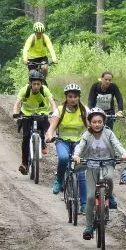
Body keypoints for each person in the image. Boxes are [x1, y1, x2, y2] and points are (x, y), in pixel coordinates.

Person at [72, 107, 126, 240]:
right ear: (90, 123)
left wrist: (124, 153)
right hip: (91, 166)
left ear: (104, 122)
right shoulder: (87, 134)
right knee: (91, 197)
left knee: (109, 178)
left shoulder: (108, 133)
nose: (97, 124)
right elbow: (80, 145)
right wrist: (76, 155)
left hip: (107, 163)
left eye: (99, 122)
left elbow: (116, 144)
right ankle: (89, 226)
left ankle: (109, 196)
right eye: (94, 122)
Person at [45, 83, 88, 212]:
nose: (73, 99)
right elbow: (51, 128)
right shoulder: (60, 110)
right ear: (66, 97)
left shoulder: (84, 110)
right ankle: (59, 180)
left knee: (81, 173)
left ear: (79, 97)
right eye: (70, 96)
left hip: (79, 143)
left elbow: (91, 127)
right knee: (63, 158)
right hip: (62, 141)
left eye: (75, 96)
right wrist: (49, 136)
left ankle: (84, 204)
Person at [12, 70, 58, 175]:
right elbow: (17, 104)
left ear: (41, 84)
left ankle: (42, 143)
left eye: (38, 84)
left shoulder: (44, 90)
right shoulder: (25, 90)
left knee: (44, 127)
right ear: (30, 84)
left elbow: (52, 103)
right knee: (26, 137)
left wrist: (55, 113)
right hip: (27, 113)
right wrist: (15, 113)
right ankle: (24, 164)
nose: (36, 86)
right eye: (34, 84)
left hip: (42, 113)